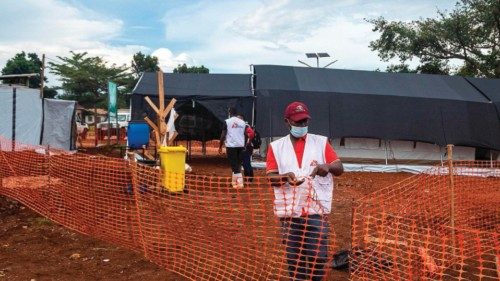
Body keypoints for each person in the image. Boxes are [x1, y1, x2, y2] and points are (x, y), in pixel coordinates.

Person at [266, 101, 343, 281]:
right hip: (289, 212)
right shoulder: (276, 147)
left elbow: (339, 167)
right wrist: (286, 177)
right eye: (298, 122)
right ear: (287, 122)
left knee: (318, 257)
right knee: (295, 259)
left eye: (305, 122)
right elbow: (271, 177)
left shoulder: (320, 142)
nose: (302, 126)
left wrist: (327, 167)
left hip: (316, 210)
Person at [219, 107, 247, 188]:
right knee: (237, 164)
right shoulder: (243, 122)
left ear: (229, 113)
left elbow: (223, 135)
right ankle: (234, 183)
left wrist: (220, 146)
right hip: (240, 146)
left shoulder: (227, 122)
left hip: (231, 146)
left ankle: (240, 183)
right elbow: (246, 134)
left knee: (234, 165)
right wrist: (244, 145)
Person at [237, 114, 255, 181]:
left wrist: (248, 143)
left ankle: (249, 177)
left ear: (242, 119)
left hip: (246, 147)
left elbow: (251, 134)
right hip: (242, 147)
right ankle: (248, 177)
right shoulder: (239, 126)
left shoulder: (245, 126)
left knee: (246, 162)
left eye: (239, 119)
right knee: (244, 163)